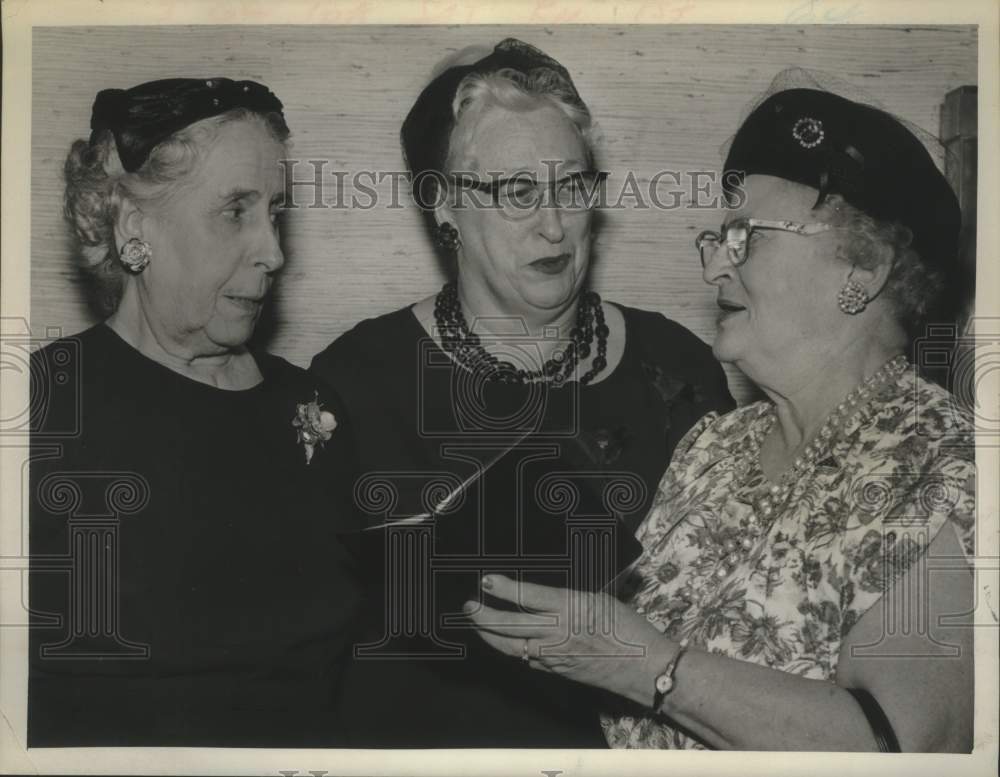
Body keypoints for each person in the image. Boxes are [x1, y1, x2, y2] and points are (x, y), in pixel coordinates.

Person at [466, 87, 976, 752]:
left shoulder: (947, 464)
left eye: (746, 238)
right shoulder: (713, 444)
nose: (713, 265)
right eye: (717, 237)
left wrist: (645, 665)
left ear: (865, 267)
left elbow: (894, 748)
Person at [310, 38, 733, 748]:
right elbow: (308, 640)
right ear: (445, 206)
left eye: (572, 185)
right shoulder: (360, 380)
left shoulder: (679, 365)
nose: (555, 223)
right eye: (516, 192)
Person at [29, 78, 361, 746]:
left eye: (275, 211)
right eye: (235, 211)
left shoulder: (313, 406)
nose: (273, 251)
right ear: (132, 227)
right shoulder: (37, 409)